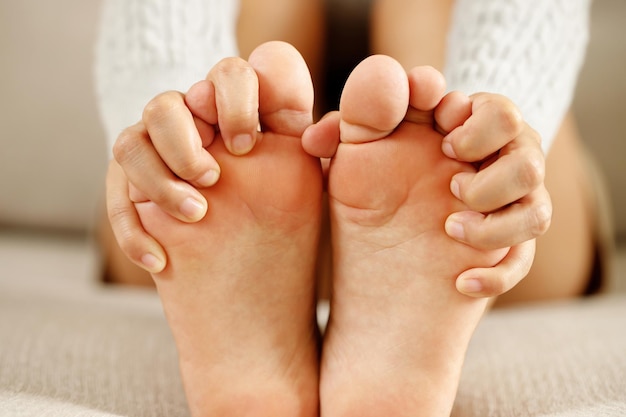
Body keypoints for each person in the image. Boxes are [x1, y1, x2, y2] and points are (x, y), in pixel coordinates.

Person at [95, 1, 600, 415]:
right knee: (281, 55)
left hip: (237, 219)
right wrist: (173, 123)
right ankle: (454, 173)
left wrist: (496, 132)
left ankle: (217, 168)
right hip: (436, 220)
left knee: (285, 52)